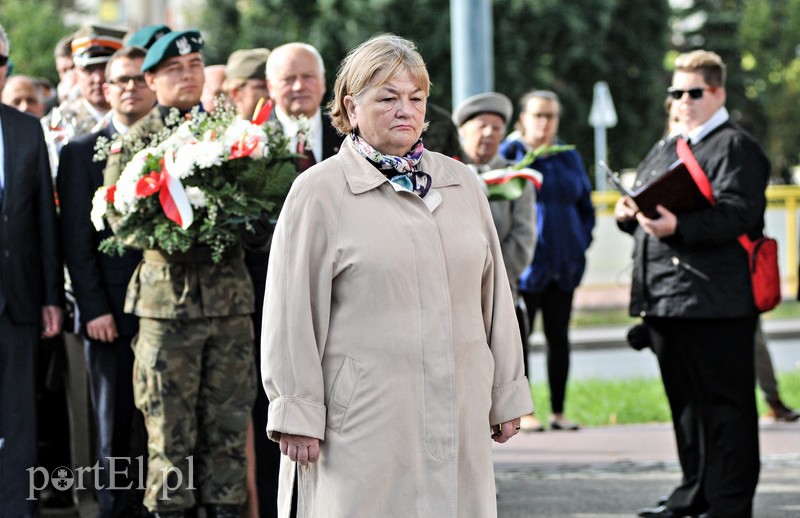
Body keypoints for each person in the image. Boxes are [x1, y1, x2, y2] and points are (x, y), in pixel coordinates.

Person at [261, 33, 533, 517]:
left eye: (416, 97)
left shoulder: (461, 182)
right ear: (351, 105)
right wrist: (296, 409)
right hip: (364, 418)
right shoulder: (318, 192)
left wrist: (507, 389)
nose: (405, 109)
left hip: (459, 407)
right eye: (387, 97)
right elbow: (289, 311)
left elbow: (494, 297)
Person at [103, 30, 258, 518]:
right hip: (166, 311)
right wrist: (183, 221)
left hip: (230, 307)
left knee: (228, 433)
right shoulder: (133, 146)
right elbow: (121, 220)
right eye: (174, 68)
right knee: (169, 439)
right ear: (151, 79)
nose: (187, 74)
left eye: (194, 64)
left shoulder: (234, 136)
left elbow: (263, 206)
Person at [615, 50, 768, 518]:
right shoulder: (668, 145)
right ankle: (692, 497)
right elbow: (648, 203)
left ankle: (728, 505)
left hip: (714, 300)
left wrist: (677, 226)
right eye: (675, 92)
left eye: (693, 92)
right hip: (665, 297)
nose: (682, 100)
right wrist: (629, 214)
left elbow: (740, 214)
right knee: (686, 408)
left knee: (728, 409)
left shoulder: (734, 146)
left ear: (717, 92)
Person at [57, 46, 155, 517]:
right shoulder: (80, 152)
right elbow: (76, 239)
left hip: (167, 311)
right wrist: (93, 308)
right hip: (109, 314)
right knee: (113, 422)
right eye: (120, 81)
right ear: (105, 89)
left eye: (139, 79)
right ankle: (115, 508)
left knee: (161, 424)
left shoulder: (179, 144)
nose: (130, 88)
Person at [500, 89, 595, 431]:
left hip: (564, 266)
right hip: (524, 268)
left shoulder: (567, 157)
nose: (545, 122)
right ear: (522, 119)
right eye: (538, 115)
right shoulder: (508, 155)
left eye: (551, 116)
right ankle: (523, 411)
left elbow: (585, 205)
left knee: (559, 338)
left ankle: (558, 411)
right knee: (519, 342)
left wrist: (579, 242)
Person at [0, 22, 65, 516]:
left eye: (1, 62)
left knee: (20, 419)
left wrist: (50, 296)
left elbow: (44, 218)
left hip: (17, 301)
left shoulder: (25, 128)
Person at [453, 91, 538, 387]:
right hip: (453, 297)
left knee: (504, 375)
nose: (489, 133)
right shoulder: (442, 172)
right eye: (481, 125)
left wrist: (494, 280)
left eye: (497, 127)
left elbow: (524, 237)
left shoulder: (515, 178)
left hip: (502, 293)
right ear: (462, 130)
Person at [265, 42, 344, 170]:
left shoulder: (348, 133)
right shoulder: (253, 140)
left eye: (308, 77)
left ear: (322, 81)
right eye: (288, 79)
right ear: (270, 86)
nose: (299, 86)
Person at [223, 48, 271, 121]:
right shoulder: (222, 131)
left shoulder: (286, 129)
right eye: (262, 87)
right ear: (235, 93)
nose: (270, 94)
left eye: (271, 86)